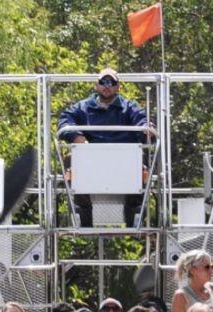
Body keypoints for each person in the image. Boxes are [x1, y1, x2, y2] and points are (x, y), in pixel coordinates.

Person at [58, 68, 149, 227]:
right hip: (91, 157)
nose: (107, 86)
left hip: (123, 158)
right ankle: (83, 217)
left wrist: (146, 127)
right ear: (96, 85)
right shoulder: (82, 107)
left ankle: (134, 218)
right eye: (103, 82)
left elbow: (142, 120)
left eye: (111, 82)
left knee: (141, 159)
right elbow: (65, 120)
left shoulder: (128, 107)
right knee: (71, 159)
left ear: (118, 86)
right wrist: (77, 136)